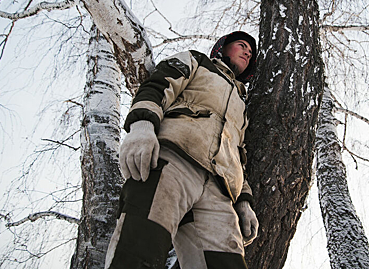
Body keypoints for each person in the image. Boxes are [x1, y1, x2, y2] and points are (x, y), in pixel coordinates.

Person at [105, 31, 259, 269]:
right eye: (242, 45)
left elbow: (239, 153)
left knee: (227, 263)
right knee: (138, 247)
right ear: (222, 47)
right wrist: (142, 126)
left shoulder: (241, 102)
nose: (248, 52)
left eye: (251, 52)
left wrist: (243, 202)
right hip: (174, 161)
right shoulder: (197, 61)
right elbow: (159, 84)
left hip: (219, 192)